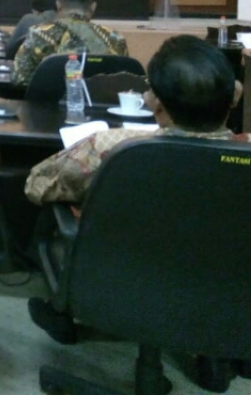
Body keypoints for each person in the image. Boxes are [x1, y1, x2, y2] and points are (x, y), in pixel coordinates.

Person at [24, 35, 247, 348]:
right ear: (233, 97)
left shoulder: (110, 148)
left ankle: (62, 311)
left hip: (127, 274)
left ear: (156, 103)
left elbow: (36, 184)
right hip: (222, 289)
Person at [11, 0, 128, 87]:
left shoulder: (37, 34)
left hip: (47, 106)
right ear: (93, 7)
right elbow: (124, 83)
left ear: (58, 5)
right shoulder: (115, 38)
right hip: (101, 106)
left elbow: (19, 80)